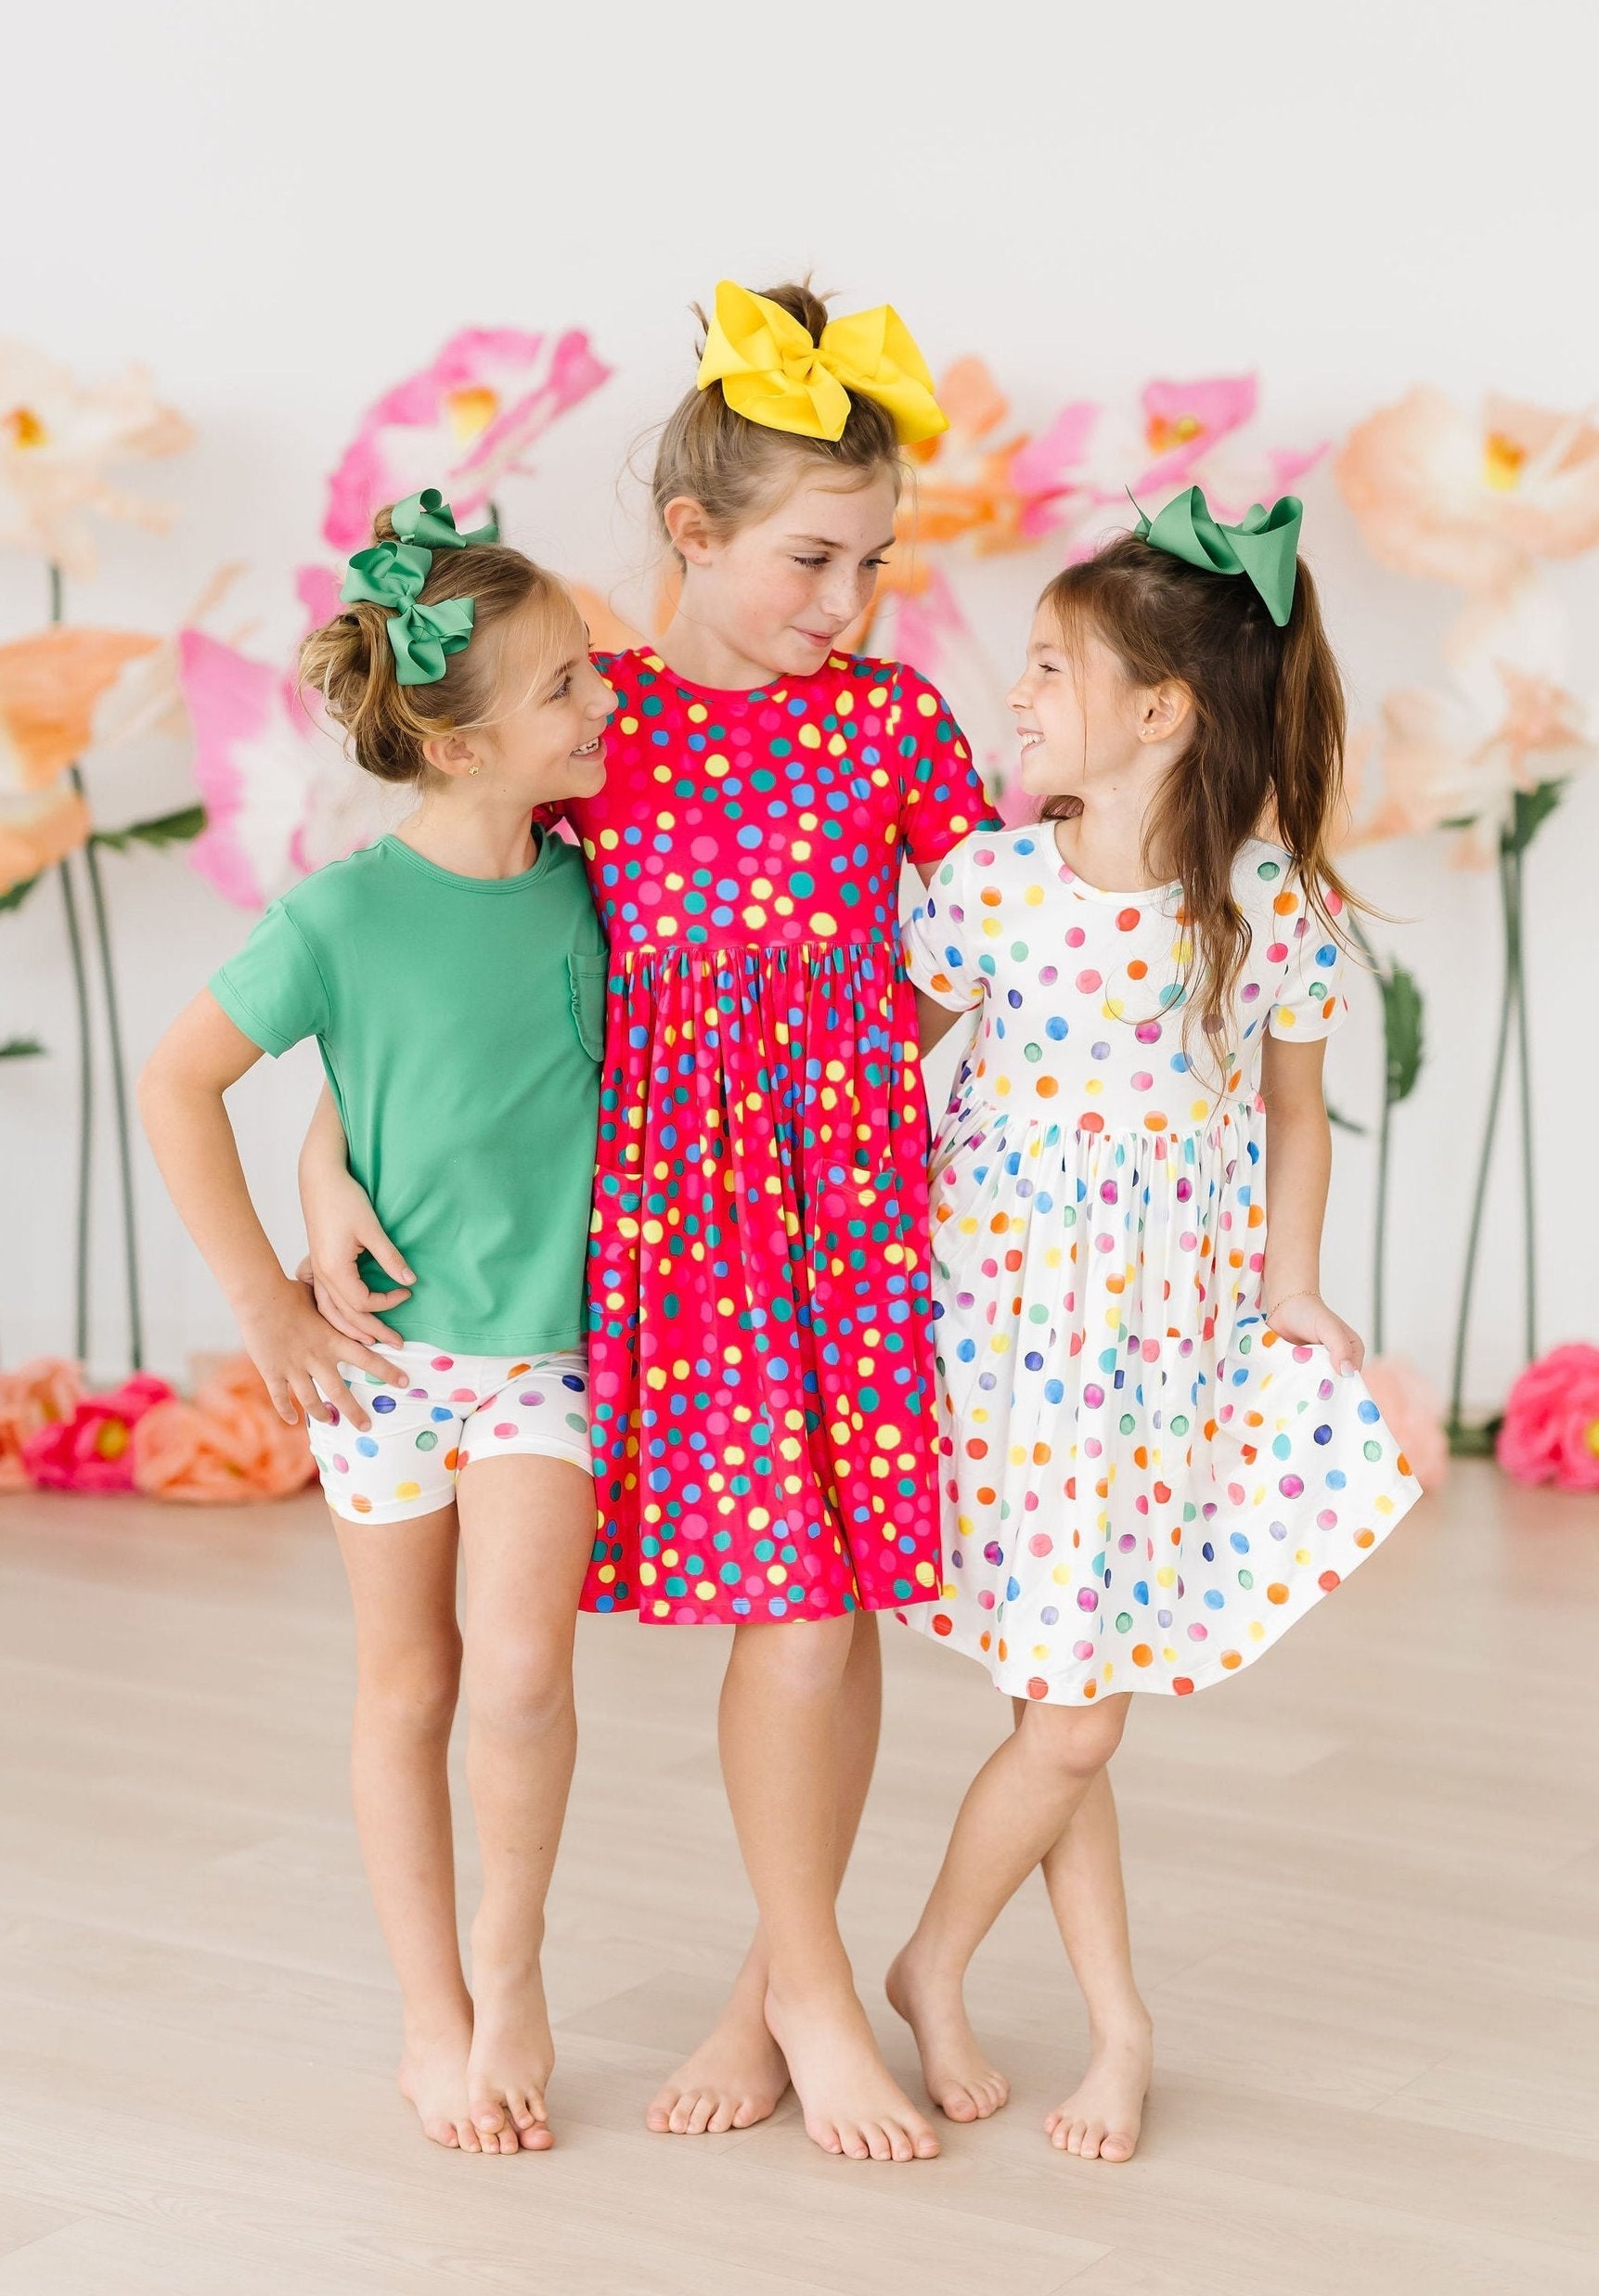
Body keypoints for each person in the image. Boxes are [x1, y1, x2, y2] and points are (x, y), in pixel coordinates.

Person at [303, 283, 999, 2161]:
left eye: (872, 561)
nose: (847, 599)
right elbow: (444, 961)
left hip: (851, 1220)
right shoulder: (595, 729)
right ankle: (803, 1982)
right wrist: (322, 1156)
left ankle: (785, 1979)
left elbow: (996, 940)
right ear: (692, 530)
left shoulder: (892, 724)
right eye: (811, 559)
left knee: (834, 1600)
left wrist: (865, 1058)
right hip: (668, 1239)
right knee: (787, 1609)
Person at [886, 488, 1421, 2161]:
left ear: (1163, 711)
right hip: (998, 1339)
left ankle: (1064, 2010)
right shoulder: (987, 887)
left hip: (1153, 1355)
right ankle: (966, 1975)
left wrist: (1290, 1285)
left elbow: (1297, 1115)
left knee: (1073, 1700)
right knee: (1074, 1711)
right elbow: (878, 1081)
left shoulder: (1264, 907)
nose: (1018, 692)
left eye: (1053, 666)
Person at [138, 491, 615, 2156]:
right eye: (566, 685)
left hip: (545, 1354)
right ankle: (432, 2014)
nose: (604, 701)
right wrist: (266, 1302)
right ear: (462, 742)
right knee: (409, 1687)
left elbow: (478, 1071)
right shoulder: (337, 915)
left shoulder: (603, 890)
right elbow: (179, 1082)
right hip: (387, 1364)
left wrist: (327, 1144)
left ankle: (512, 1964)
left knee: (524, 1676)